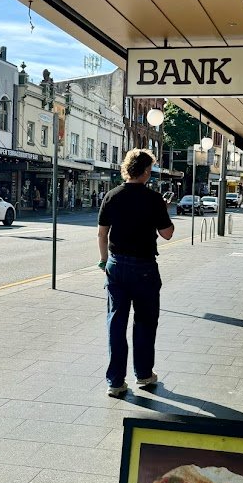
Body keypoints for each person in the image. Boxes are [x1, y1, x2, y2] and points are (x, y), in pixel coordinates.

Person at [97, 149, 174, 397]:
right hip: (144, 268)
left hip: (116, 266)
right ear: (146, 171)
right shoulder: (153, 199)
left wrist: (104, 260)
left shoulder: (111, 195)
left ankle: (115, 382)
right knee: (145, 323)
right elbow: (167, 233)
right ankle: (143, 375)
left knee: (116, 323)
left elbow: (102, 233)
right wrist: (164, 210)